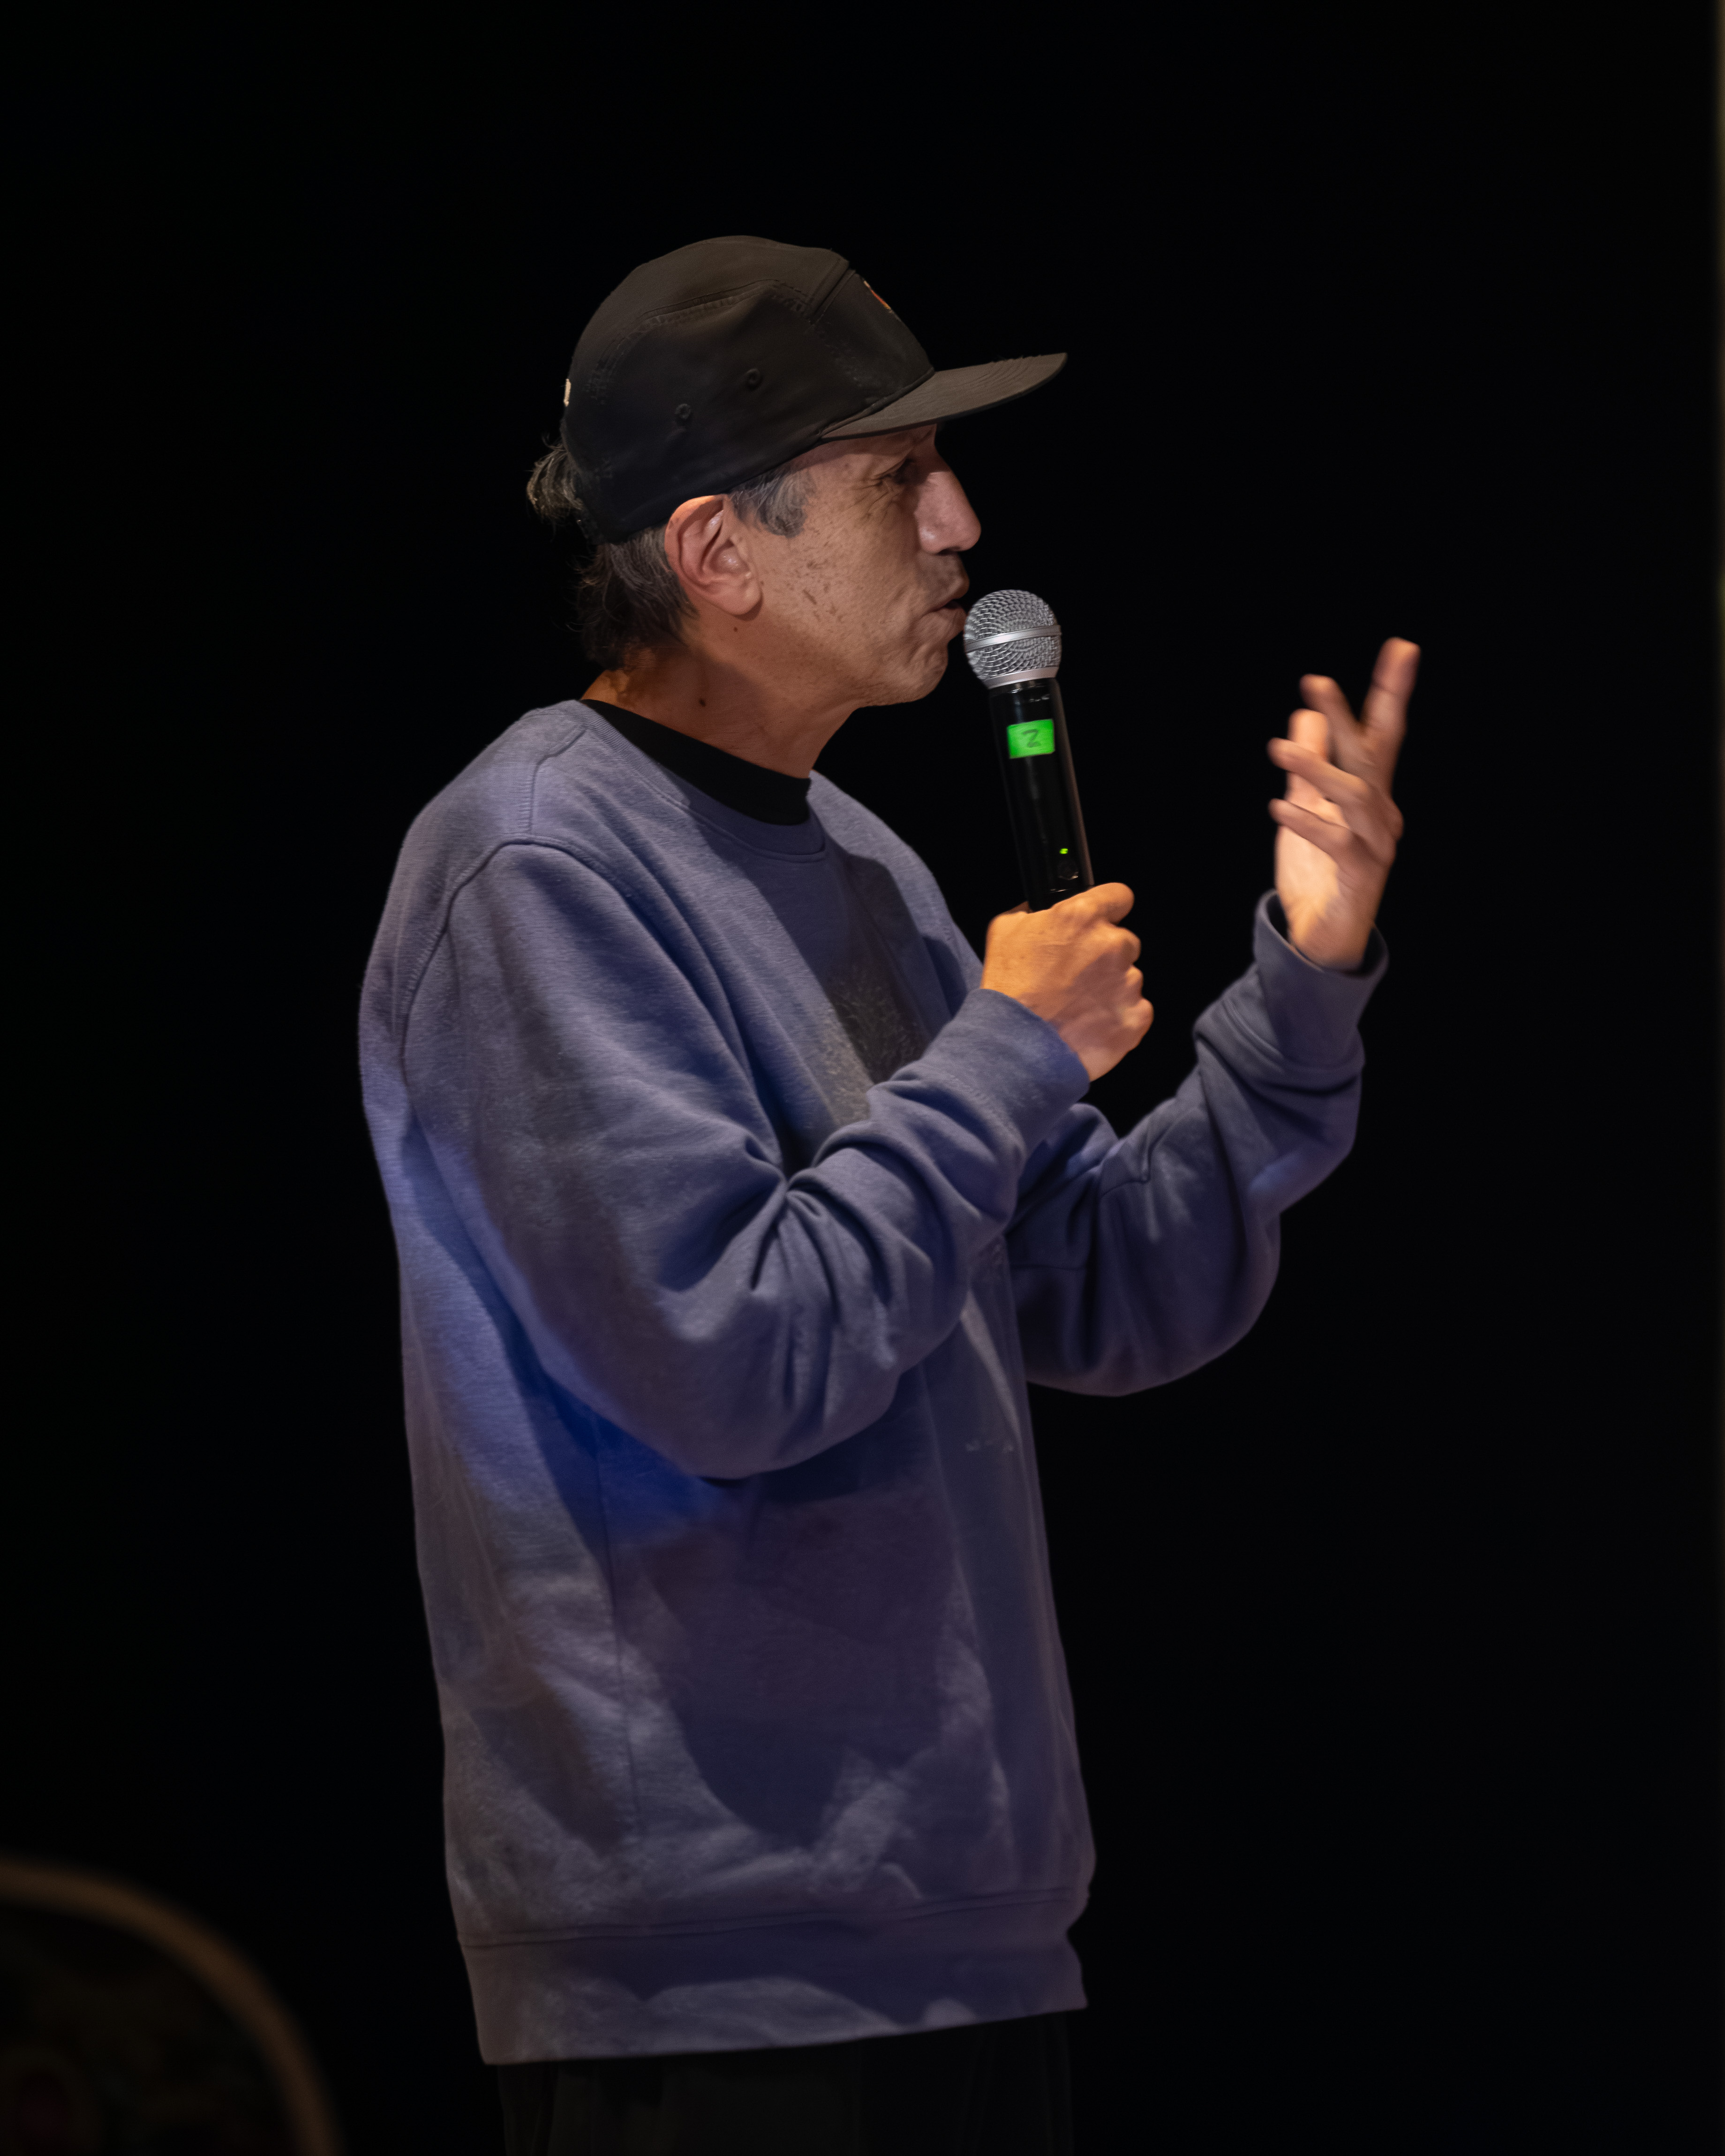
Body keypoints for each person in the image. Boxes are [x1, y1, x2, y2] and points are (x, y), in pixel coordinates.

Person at [359, 235, 1416, 2155]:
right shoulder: (532, 865)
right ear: (718, 550)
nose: (961, 522)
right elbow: (728, 1357)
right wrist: (1007, 1052)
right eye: (895, 474)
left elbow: (1100, 1286)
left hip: (973, 1935)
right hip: (710, 1973)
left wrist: (1305, 983)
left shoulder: (864, 865)